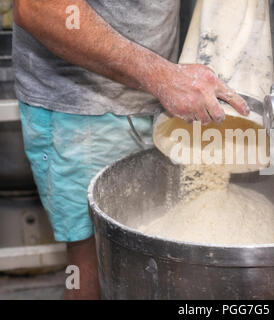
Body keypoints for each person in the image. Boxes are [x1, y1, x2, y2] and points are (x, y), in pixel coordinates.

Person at [13, 0, 249, 300]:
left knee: (155, 259)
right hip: (85, 112)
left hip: (161, 97)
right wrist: (165, 78)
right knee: (92, 269)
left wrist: (168, 80)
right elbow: (40, 7)